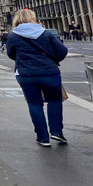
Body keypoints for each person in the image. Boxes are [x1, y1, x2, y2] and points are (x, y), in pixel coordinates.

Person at [6, 9, 69, 147]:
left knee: (34, 104)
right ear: (33, 18)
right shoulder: (45, 33)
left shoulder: (13, 36)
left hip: (26, 74)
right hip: (49, 72)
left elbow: (11, 54)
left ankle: (42, 137)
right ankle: (57, 132)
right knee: (54, 101)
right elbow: (62, 52)